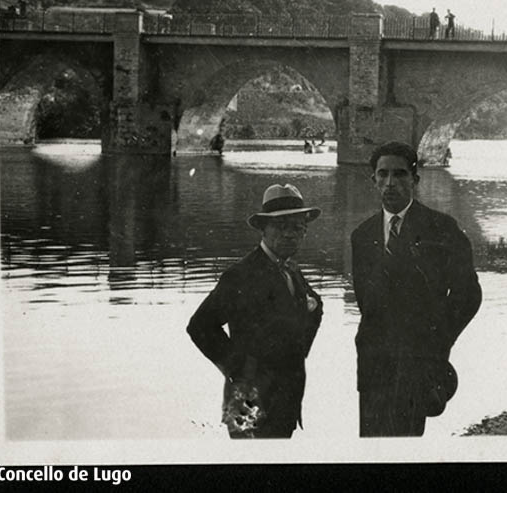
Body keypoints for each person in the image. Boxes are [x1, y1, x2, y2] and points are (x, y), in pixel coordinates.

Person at [351, 141, 482, 436]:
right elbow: (366, 300)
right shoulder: (362, 235)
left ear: (415, 180)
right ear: (373, 180)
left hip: (419, 359)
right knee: (370, 444)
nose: (390, 183)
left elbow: (469, 295)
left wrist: (437, 341)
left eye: (399, 175)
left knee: (404, 443)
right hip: (373, 360)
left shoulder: (442, 228)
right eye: (382, 175)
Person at [187, 183, 323, 438]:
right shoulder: (241, 275)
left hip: (287, 400)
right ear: (263, 229)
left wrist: (297, 350)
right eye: (281, 227)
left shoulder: (292, 271)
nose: (290, 235)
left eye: (297, 228)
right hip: (248, 401)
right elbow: (200, 326)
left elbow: (313, 310)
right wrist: (239, 369)